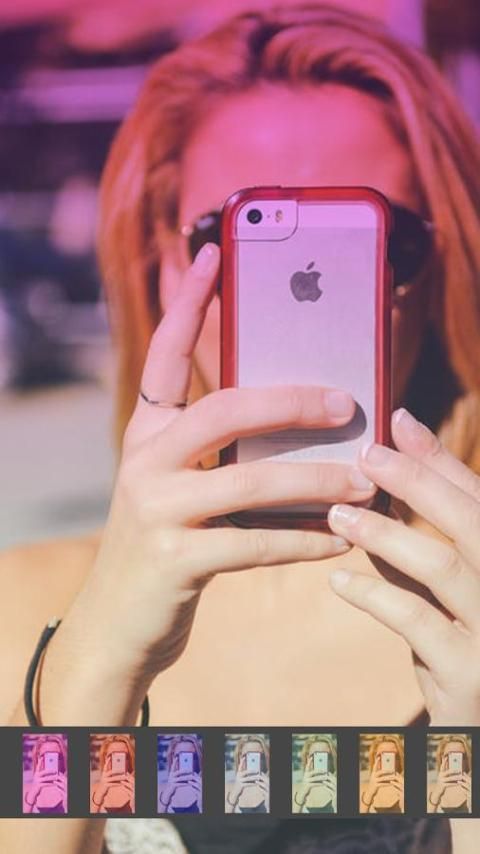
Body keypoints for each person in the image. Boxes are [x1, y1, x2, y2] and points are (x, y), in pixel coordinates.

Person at [1, 3, 479, 852]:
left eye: (378, 240)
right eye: (236, 236)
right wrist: (93, 669)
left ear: (443, 268)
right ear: (164, 262)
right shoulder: (29, 608)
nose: (307, 288)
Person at [23, 735, 68, 814]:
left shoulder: (67, 787)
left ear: (63, 758)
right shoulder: (26, 789)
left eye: (56, 756)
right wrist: (32, 795)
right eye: (46, 756)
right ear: (38, 758)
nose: (51, 760)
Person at [359, 734, 404, 813]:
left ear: (400, 758)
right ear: (374, 758)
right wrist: (368, 795)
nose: (388, 760)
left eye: (393, 756)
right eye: (382, 756)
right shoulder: (362, 789)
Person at [90, 735, 135, 814]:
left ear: (130, 759)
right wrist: (99, 796)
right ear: (105, 758)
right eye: (113, 755)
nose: (118, 760)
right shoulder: (93, 790)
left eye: (123, 756)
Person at [158, 735, 203, 813]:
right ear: (172, 758)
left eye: (191, 756)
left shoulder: (202, 787)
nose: (185, 761)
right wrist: (166, 797)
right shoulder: (160, 789)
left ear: (198, 758)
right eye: (179, 756)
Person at [225, 736, 270, 813]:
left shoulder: (268, 786)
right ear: (239, 758)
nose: (254, 760)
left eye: (259, 755)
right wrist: (234, 794)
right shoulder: (228, 788)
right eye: (249, 755)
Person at [292, 736, 337, 813]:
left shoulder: (336, 787)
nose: (320, 760)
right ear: (307, 758)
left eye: (326, 755)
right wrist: (300, 796)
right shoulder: (295, 789)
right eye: (315, 755)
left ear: (332, 758)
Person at [428, 736, 472, 814]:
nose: (456, 761)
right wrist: (436, 795)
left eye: (460, 755)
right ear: (442, 758)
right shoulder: (430, 789)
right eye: (449, 756)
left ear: (467, 759)